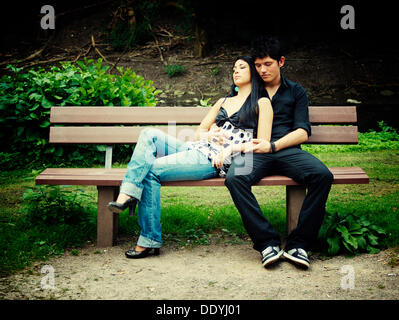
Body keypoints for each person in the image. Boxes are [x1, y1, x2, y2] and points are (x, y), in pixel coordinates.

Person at [107, 56, 273, 259]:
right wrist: (210, 134)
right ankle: (128, 193)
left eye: (241, 67)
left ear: (253, 74)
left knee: (150, 171)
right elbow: (198, 133)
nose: (235, 71)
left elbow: (263, 143)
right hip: (196, 147)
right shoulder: (223, 101)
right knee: (148, 133)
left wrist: (230, 149)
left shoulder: (262, 102)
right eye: (233, 68)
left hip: (213, 159)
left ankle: (147, 236)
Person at [224, 36, 334, 269]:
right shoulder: (250, 91)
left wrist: (273, 145)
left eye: (268, 64)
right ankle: (267, 243)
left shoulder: (296, 91)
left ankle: (299, 244)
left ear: (281, 62)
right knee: (235, 178)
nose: (262, 70)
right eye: (258, 65)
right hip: (255, 151)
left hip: (286, 150)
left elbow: (303, 131)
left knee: (322, 175)